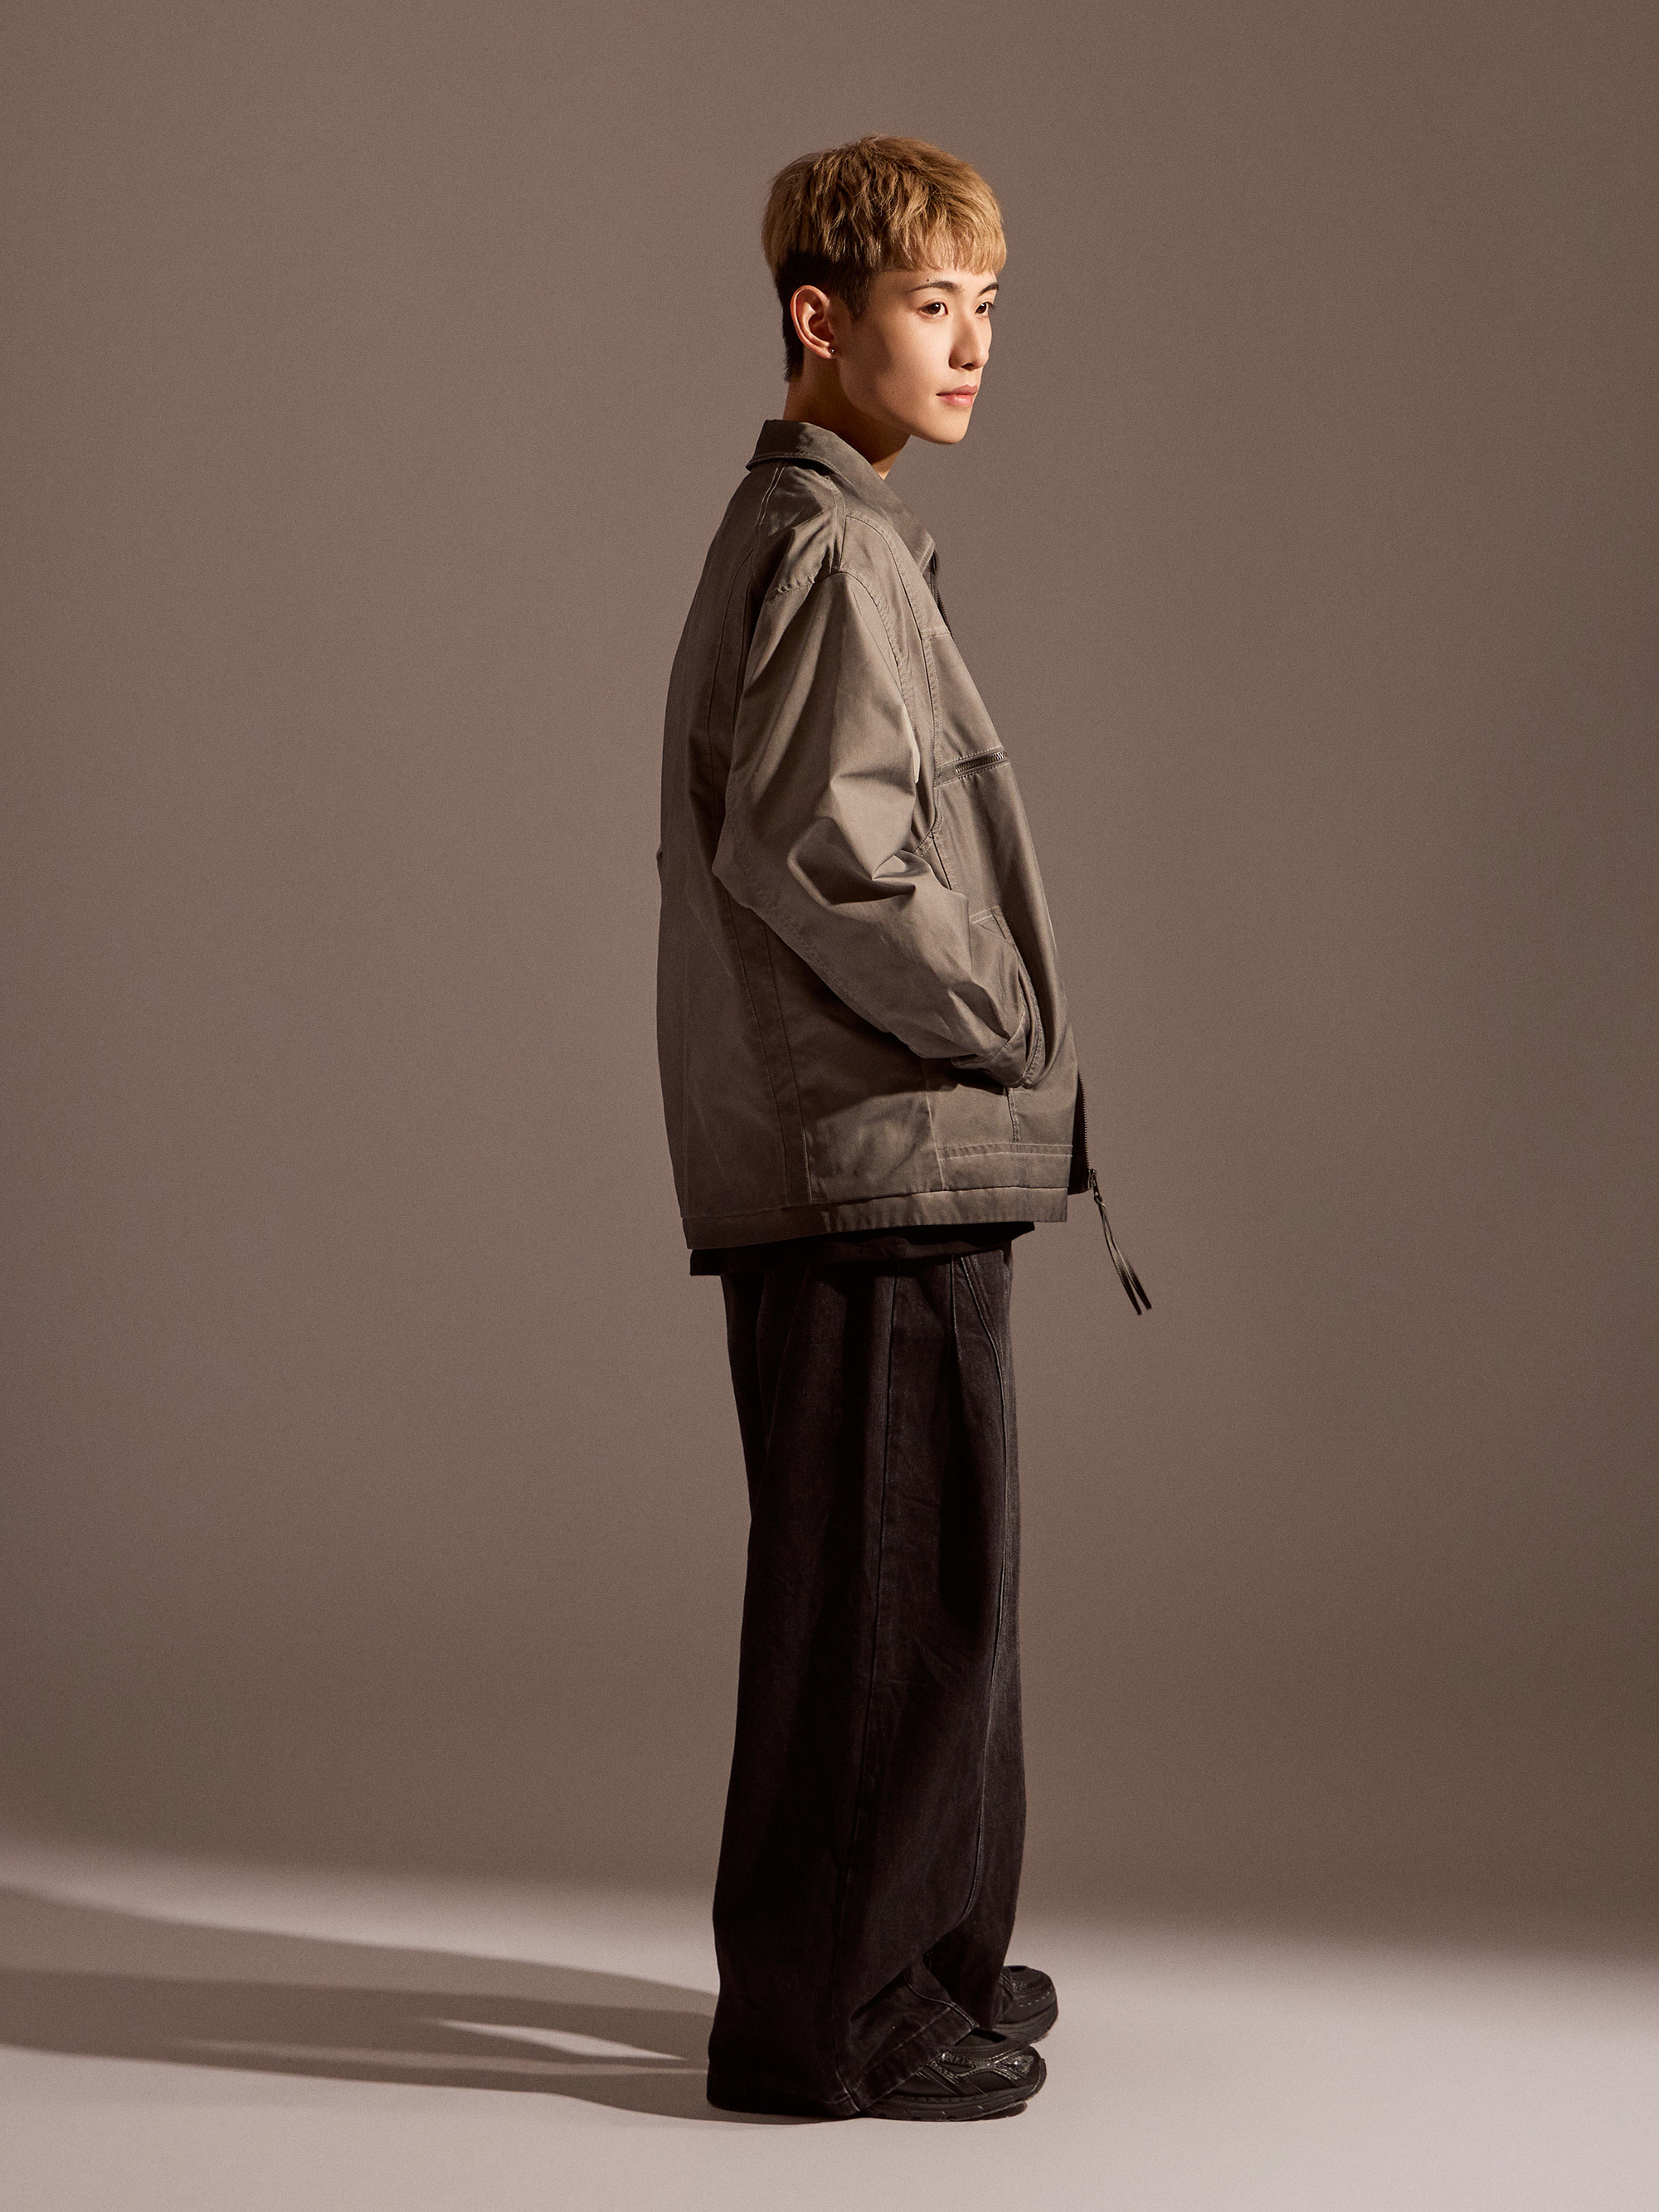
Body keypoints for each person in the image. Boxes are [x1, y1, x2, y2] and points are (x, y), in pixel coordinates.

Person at [654, 134, 1145, 2124]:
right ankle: (833, 2016)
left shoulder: (832, 530)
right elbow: (823, 850)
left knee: (920, 1579)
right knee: (880, 1596)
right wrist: (1005, 1013)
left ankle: (919, 1949)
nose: (971, 343)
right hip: (869, 1154)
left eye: (986, 306)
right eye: (932, 304)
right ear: (819, 316)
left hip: (881, 1157)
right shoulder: (829, 546)